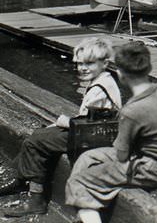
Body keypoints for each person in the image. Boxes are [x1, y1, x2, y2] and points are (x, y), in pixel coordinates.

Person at [0, 38, 121, 217]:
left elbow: (86, 123)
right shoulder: (104, 79)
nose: (83, 68)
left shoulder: (99, 89)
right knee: (40, 134)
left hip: (93, 139)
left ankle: (36, 199)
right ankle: (20, 179)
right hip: (92, 132)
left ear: (104, 63)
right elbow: (90, 118)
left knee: (36, 141)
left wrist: (63, 121)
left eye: (89, 63)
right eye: (79, 64)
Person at [65, 41, 157, 223]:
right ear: (148, 67)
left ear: (120, 73)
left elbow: (121, 156)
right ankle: (85, 211)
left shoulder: (132, 111)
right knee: (87, 158)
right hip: (156, 158)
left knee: (77, 181)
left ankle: (87, 212)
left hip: (150, 169)